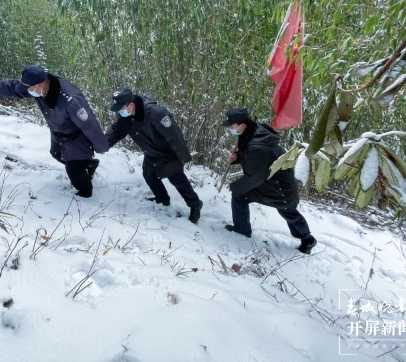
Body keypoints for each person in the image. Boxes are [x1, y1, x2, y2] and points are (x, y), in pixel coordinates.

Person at [0, 66, 108, 198]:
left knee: (74, 170)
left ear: (40, 85)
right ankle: (89, 164)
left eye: (29, 88)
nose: (28, 92)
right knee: (56, 154)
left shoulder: (70, 101)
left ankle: (85, 195)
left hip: (76, 137)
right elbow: (12, 87)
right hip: (59, 131)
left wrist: (100, 146)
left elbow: (89, 124)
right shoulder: (37, 88)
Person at [222, 107, 317, 254]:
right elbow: (255, 159)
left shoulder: (258, 145)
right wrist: (237, 158)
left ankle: (308, 240)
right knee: (240, 196)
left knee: (287, 210)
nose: (229, 128)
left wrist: (236, 185)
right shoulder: (253, 132)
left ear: (242, 125)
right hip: (269, 182)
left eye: (231, 126)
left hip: (279, 188)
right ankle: (241, 230)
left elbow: (256, 175)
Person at [105, 88, 203, 224]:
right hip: (151, 152)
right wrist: (103, 144)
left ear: (131, 105)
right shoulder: (126, 117)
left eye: (121, 108)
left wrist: (183, 157)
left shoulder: (156, 113)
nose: (119, 112)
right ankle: (162, 199)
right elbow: (117, 130)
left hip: (168, 153)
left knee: (177, 180)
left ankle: (195, 205)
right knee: (149, 174)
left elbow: (175, 135)